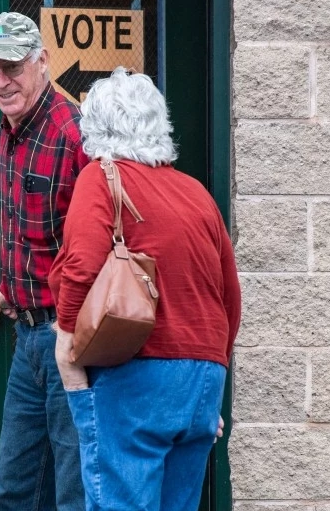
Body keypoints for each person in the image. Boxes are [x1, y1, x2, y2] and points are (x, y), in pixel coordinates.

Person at [48, 68, 241, 511]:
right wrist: (208, 376)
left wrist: (66, 341)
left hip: (136, 373)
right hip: (202, 377)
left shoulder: (102, 177)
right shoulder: (196, 193)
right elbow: (230, 295)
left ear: (94, 126)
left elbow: (80, 267)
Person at [0, 11, 89, 511]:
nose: (2, 83)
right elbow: (28, 225)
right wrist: (12, 286)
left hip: (71, 339)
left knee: (74, 493)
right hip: (27, 337)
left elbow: (104, 244)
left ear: (42, 61)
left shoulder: (75, 136)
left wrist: (72, 330)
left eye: (13, 67)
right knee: (11, 495)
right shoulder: (7, 133)